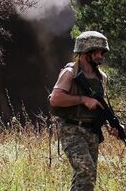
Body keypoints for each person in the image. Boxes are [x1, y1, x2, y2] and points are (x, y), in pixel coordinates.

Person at [49, 31, 121, 191]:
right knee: (85, 172)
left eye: (102, 52)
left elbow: (100, 106)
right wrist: (83, 99)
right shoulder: (69, 73)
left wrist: (111, 125)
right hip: (72, 130)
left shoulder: (101, 78)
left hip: (92, 132)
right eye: (96, 52)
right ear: (84, 52)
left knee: (88, 179)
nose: (100, 56)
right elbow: (55, 99)